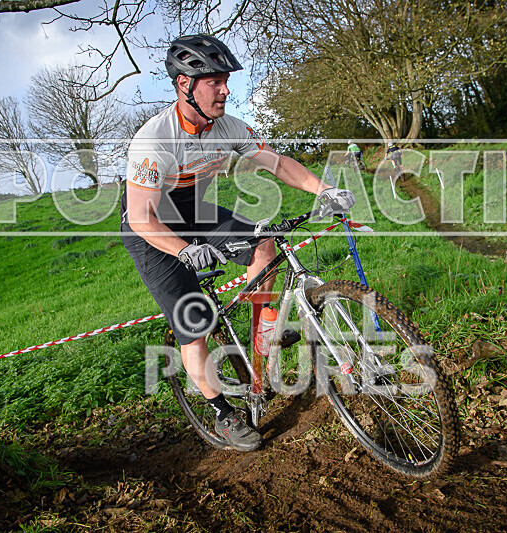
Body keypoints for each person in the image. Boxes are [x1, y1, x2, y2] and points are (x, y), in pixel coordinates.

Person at [120, 34, 356, 451]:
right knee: (195, 328)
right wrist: (184, 250)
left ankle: (261, 333)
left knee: (266, 245)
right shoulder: (153, 140)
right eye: (214, 82)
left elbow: (277, 162)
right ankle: (223, 414)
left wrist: (324, 190)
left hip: (197, 209)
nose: (226, 90)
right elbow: (141, 217)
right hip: (152, 226)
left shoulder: (228, 127)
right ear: (184, 85)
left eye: (225, 80)